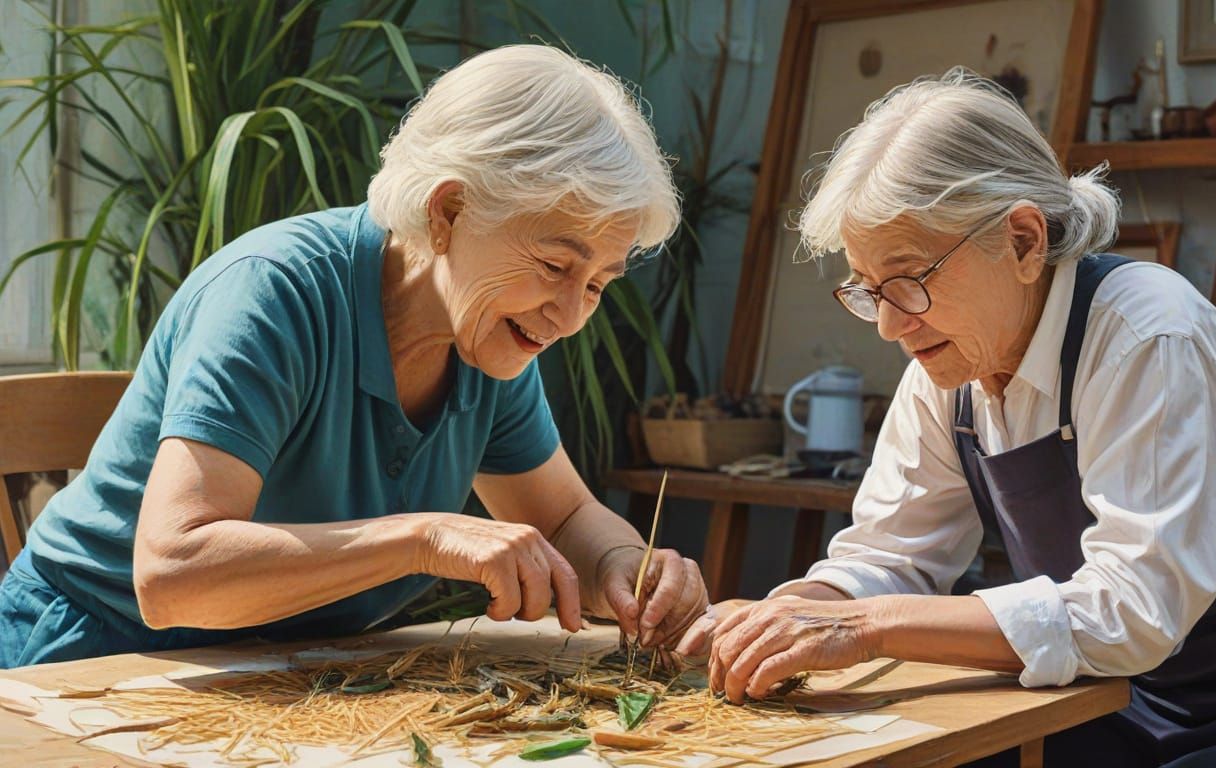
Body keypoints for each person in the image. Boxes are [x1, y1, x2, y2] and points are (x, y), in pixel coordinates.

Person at [678, 70, 1216, 766]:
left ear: (1024, 241)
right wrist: (782, 618)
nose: (887, 324)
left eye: (908, 278)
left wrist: (862, 625)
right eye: (869, 289)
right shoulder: (950, 366)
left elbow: (1131, 612)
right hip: (1110, 700)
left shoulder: (1148, 335)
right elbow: (891, 556)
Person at [0, 45, 707, 668]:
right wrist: (424, 538)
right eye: (556, 266)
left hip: (286, 670)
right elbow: (171, 576)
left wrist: (625, 564)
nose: (571, 314)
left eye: (597, 285)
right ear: (449, 212)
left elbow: (563, 521)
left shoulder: (493, 335)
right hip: (95, 661)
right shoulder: (275, 293)